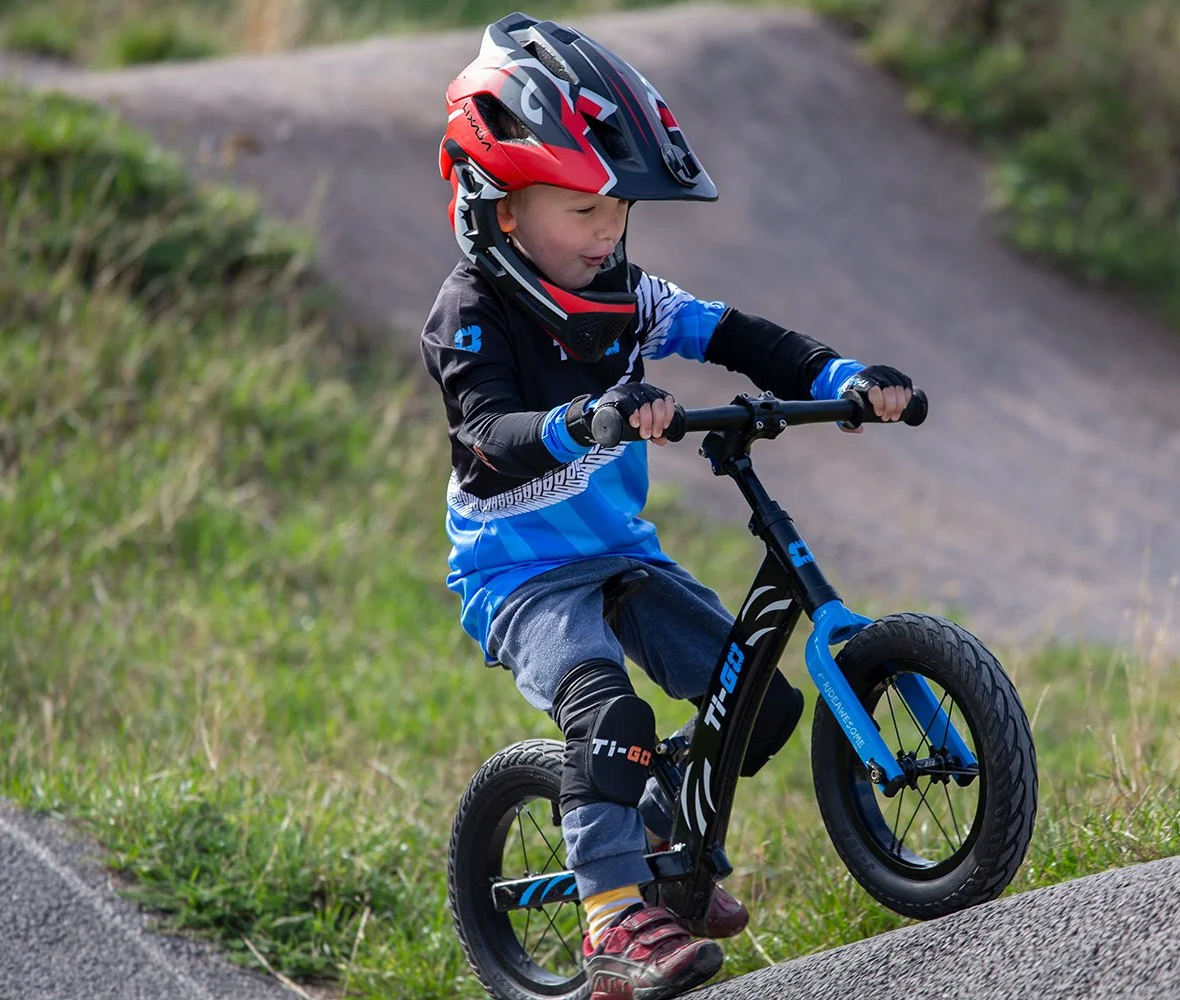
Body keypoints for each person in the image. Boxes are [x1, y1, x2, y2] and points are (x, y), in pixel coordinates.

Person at [420, 13, 914, 999]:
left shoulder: (629, 295)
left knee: (758, 704)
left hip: (618, 554)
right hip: (517, 572)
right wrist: (587, 418)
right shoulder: (470, 311)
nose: (607, 231)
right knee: (610, 711)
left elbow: (736, 334)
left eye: (617, 211)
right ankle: (614, 923)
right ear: (503, 209)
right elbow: (489, 432)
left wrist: (846, 375)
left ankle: (657, 826)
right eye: (580, 210)